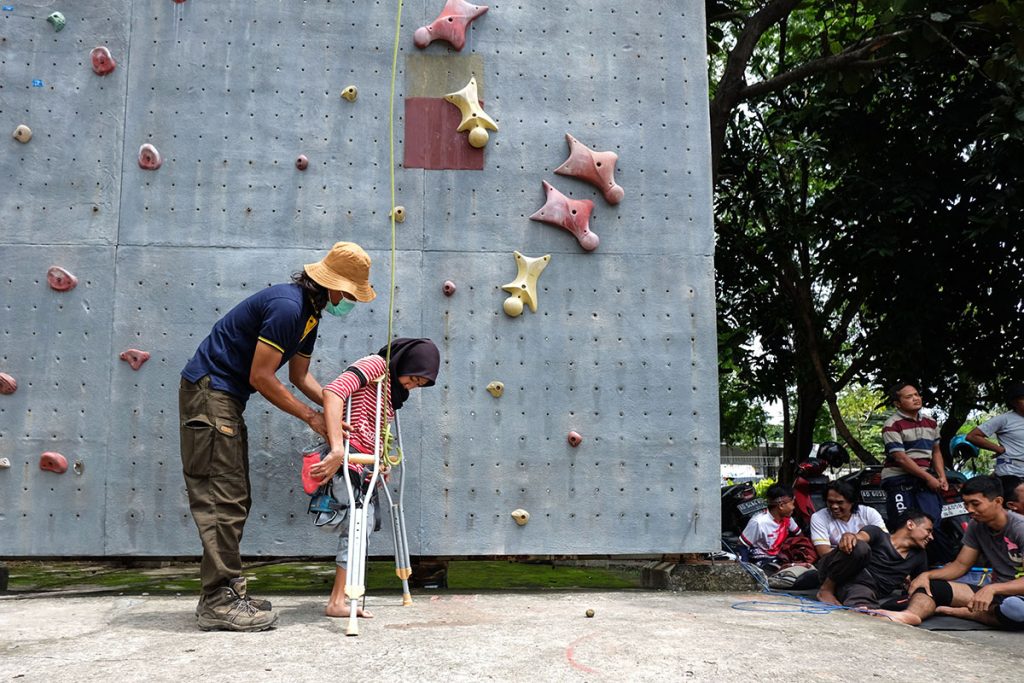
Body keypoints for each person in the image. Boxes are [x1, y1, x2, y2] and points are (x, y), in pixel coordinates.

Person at [179, 242, 375, 632]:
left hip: (224, 399)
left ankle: (227, 591)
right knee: (223, 496)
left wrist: (335, 414)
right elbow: (261, 377)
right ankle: (218, 600)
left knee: (233, 494)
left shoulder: (310, 317)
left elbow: (299, 377)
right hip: (210, 395)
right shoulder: (288, 307)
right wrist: (311, 418)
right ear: (333, 287)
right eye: (351, 294)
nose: (351, 302)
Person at [308, 337, 440, 618]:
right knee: (358, 526)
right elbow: (333, 392)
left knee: (359, 528)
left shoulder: (392, 394)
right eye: (413, 377)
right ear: (404, 361)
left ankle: (337, 601)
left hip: (365, 465)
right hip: (347, 457)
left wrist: (382, 461)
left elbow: (375, 428)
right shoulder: (376, 365)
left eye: (419, 384)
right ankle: (338, 601)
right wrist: (336, 447)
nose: (412, 385)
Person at [879, 475, 1024, 629]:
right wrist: (926, 575)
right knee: (930, 587)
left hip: (1014, 597)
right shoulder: (976, 526)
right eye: (966, 504)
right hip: (995, 595)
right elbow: (961, 565)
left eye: (975, 504)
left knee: (1014, 609)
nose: (969, 510)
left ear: (998, 502)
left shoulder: (1019, 528)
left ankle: (968, 613)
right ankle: (911, 615)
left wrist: (993, 588)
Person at [880, 382, 952, 561]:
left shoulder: (931, 422)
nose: (916, 398)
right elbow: (900, 458)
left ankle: (937, 565)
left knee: (931, 523)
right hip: (898, 478)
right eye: (909, 396)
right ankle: (899, 568)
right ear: (897, 403)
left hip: (923, 478)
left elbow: (936, 451)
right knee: (904, 525)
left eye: (917, 394)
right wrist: (929, 477)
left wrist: (942, 476)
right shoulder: (892, 425)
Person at [816, 510, 933, 609]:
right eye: (928, 530)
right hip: (836, 570)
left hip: (863, 587)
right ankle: (826, 589)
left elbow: (919, 583)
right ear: (910, 525)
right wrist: (850, 536)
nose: (931, 537)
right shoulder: (877, 533)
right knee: (858, 546)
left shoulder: (919, 556)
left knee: (864, 608)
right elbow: (859, 538)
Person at [809, 480, 886, 559]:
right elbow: (824, 553)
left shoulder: (868, 513)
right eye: (830, 502)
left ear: (852, 502)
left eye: (840, 502)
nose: (834, 506)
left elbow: (884, 541)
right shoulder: (819, 517)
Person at [967, 384, 1024, 478]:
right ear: (1014, 402)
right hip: (1010, 473)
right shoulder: (1005, 419)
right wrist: (999, 449)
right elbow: (972, 436)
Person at [740, 484, 800, 569]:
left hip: (779, 558)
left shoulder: (787, 519)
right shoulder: (758, 522)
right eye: (792, 503)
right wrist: (746, 568)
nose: (793, 507)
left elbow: (799, 535)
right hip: (761, 562)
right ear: (781, 505)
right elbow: (742, 545)